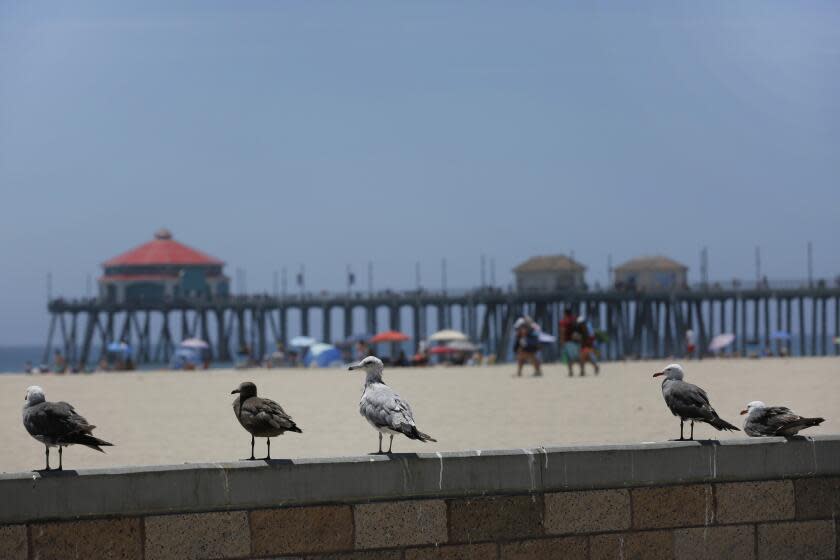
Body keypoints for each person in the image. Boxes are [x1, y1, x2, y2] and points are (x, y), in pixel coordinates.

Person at [559, 307, 580, 377]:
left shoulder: (564, 321)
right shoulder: (575, 320)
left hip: (568, 341)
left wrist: (562, 341)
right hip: (576, 341)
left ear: (565, 313)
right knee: (576, 356)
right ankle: (582, 370)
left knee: (570, 357)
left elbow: (562, 331)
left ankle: (571, 371)